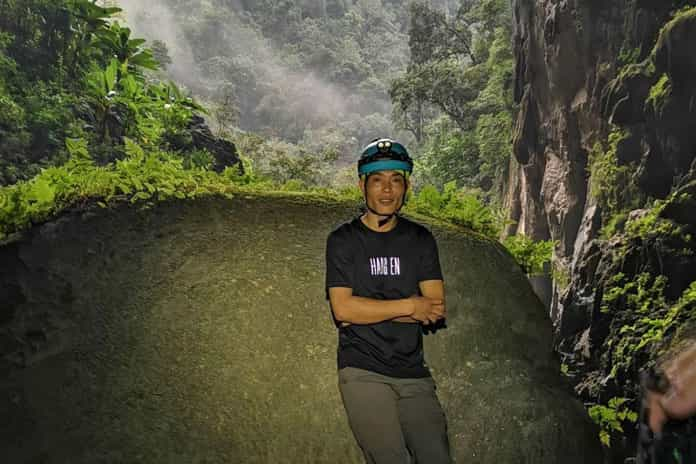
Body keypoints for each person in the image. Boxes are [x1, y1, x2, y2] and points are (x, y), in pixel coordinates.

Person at [324, 138, 452, 464]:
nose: (387, 190)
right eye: (377, 180)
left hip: (413, 372)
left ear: (406, 186)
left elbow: (435, 308)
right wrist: (410, 305)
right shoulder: (343, 241)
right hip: (363, 369)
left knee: (437, 457)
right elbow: (343, 310)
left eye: (396, 180)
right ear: (362, 185)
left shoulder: (420, 240)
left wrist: (367, 308)